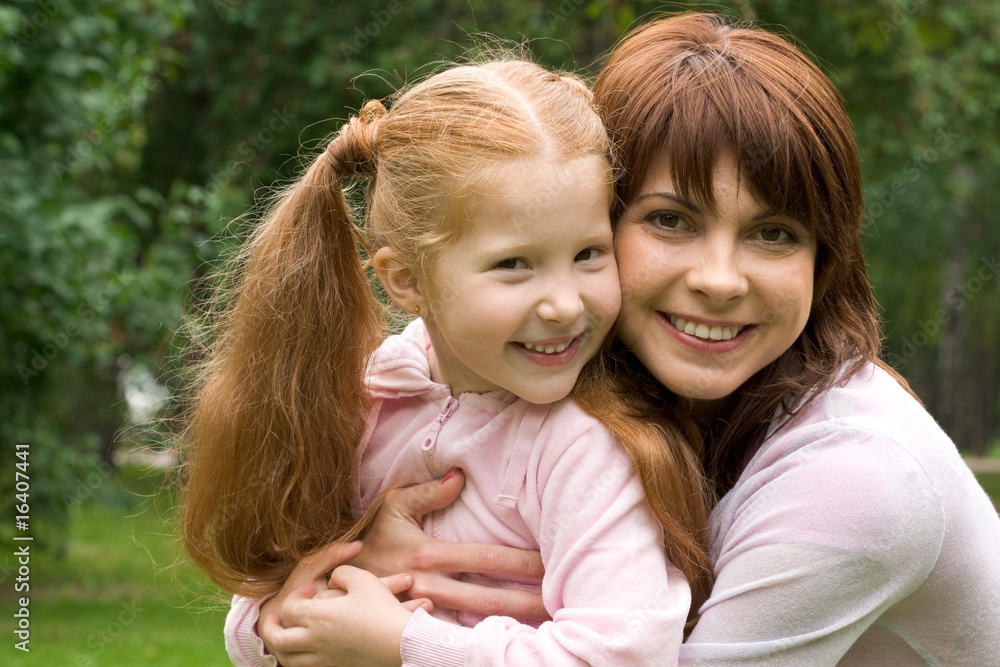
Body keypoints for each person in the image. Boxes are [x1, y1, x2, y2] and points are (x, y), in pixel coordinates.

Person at [250, 11, 1000, 667]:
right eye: (670, 219)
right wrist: (352, 564)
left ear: (824, 260)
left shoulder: (857, 478)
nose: (719, 279)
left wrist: (408, 641)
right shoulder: (519, 372)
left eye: (775, 234)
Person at [180, 59, 715, 667]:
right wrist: (283, 614)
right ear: (406, 280)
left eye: (589, 253)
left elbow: (626, 655)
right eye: (514, 263)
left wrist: (405, 646)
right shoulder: (363, 399)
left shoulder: (584, 448)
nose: (566, 303)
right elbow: (254, 626)